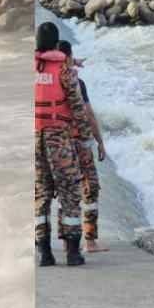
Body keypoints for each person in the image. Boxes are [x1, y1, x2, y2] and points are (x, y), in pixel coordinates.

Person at [34, 22, 92, 267]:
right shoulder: (65, 71)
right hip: (59, 138)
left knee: (41, 192)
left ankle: (45, 253)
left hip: (34, 137)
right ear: (57, 44)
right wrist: (86, 138)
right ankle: (72, 252)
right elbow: (78, 108)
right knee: (69, 191)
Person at [57, 40, 108, 252]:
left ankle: (67, 241)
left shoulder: (46, 82)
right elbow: (88, 115)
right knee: (90, 187)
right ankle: (90, 241)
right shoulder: (77, 82)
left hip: (56, 143)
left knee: (66, 191)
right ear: (68, 57)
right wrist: (100, 142)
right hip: (79, 142)